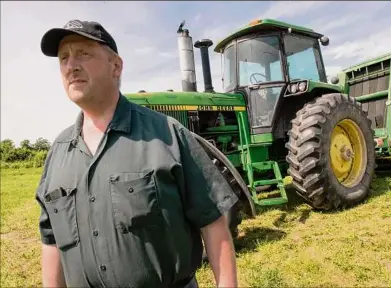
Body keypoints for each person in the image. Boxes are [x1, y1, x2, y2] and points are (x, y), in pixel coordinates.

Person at [35, 19, 239, 288]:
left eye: (83, 53)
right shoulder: (58, 153)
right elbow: (51, 242)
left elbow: (214, 225)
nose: (71, 65)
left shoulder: (168, 135)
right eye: (63, 58)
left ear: (116, 66)